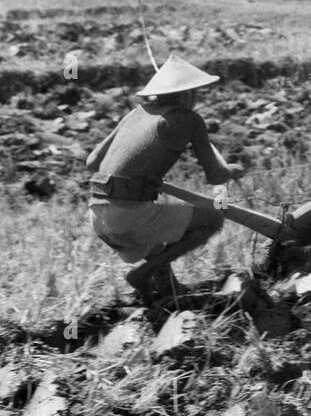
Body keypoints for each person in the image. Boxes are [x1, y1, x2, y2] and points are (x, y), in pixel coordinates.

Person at [85, 55, 245, 300]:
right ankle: (141, 275)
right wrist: (235, 170)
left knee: (157, 240)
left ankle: (166, 292)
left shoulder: (136, 113)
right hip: (127, 215)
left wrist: (138, 176)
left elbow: (92, 162)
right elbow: (216, 175)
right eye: (197, 92)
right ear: (187, 94)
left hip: (98, 215)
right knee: (211, 219)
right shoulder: (189, 119)